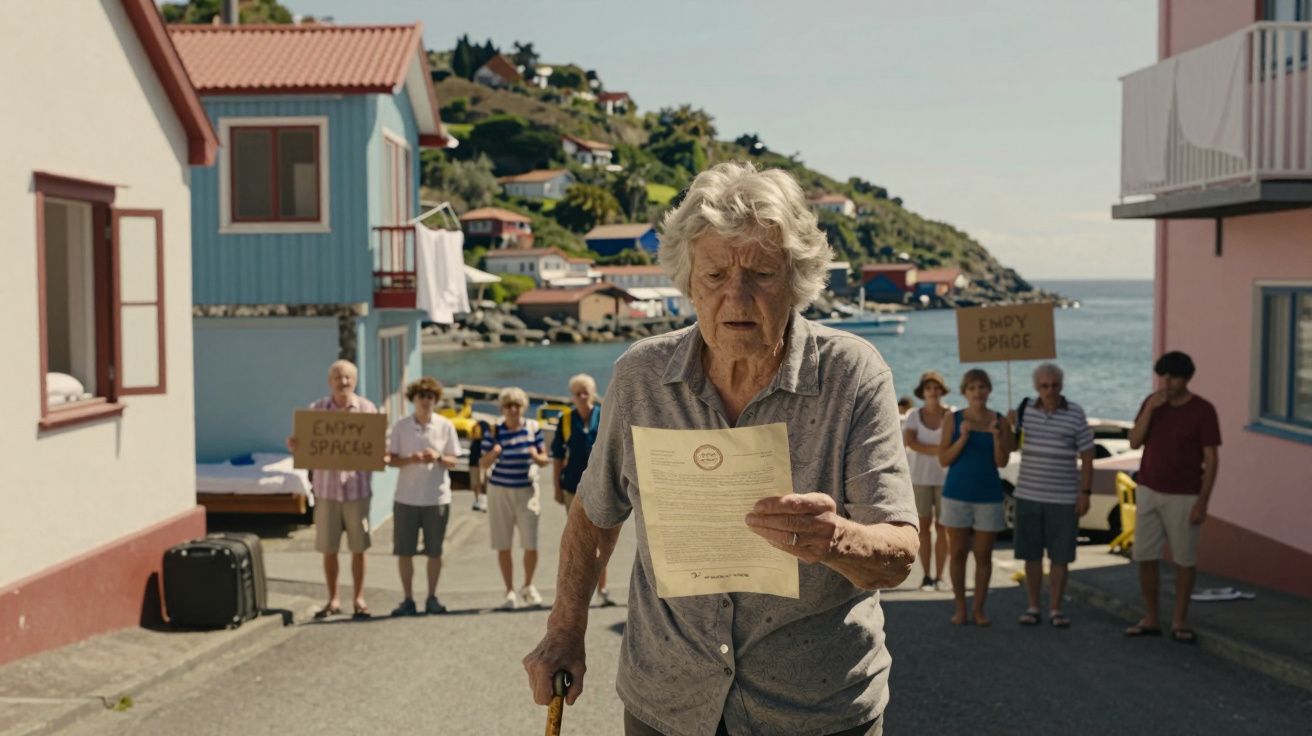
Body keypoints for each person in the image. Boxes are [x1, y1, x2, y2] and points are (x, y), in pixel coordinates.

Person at [523, 161, 918, 736]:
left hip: (815, 712)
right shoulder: (641, 377)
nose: (736, 295)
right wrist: (565, 630)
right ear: (688, 282)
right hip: (668, 704)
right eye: (714, 275)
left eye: (760, 273)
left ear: (797, 280)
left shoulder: (853, 376)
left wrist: (835, 539)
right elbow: (594, 514)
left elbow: (900, 551)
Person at [1124, 351, 1220, 644]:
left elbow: (1211, 458)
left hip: (1185, 494)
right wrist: (1151, 410)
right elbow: (1134, 441)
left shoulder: (1202, 410)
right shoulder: (1153, 404)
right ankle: (1151, 616)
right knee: (1145, 555)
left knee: (1183, 559)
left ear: (1186, 378)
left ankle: (1179, 620)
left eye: (1173, 377)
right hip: (1149, 489)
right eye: (1163, 375)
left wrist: (1203, 501)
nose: (1166, 382)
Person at [286, 360, 378, 620]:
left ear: (355, 380)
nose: (343, 382)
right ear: (330, 382)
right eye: (338, 377)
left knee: (359, 547)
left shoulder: (367, 410)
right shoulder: (316, 411)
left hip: (357, 491)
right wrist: (296, 445)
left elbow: (377, 446)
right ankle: (333, 599)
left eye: (348, 377)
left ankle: (359, 599)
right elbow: (307, 446)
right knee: (329, 548)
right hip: (326, 491)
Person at [1007, 363, 1094, 629]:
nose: (1050, 390)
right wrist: (1010, 427)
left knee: (1060, 557)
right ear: (1036, 387)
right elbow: (1011, 447)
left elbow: (1088, 455)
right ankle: (1033, 606)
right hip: (1029, 494)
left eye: (1054, 385)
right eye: (1044, 386)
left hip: (1064, 497)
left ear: (1061, 385)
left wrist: (1085, 492)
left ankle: (1056, 608)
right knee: (1031, 555)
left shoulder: (1075, 413)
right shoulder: (1025, 411)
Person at [938, 368, 1012, 627]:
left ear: (989, 390)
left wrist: (997, 436)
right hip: (956, 494)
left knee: (983, 555)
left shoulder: (1000, 421)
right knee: (957, 553)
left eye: (982, 387)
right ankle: (960, 608)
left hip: (988, 496)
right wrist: (964, 437)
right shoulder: (954, 419)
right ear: (964, 392)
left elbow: (1002, 461)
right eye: (972, 388)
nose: (977, 392)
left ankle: (979, 609)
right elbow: (944, 459)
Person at [386, 377, 461, 617]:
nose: (426, 401)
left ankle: (432, 596)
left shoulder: (445, 425)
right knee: (404, 551)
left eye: (430, 397)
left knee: (434, 551)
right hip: (406, 498)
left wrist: (438, 457)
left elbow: (453, 460)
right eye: (422, 396)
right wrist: (412, 459)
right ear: (413, 399)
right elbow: (391, 459)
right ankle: (408, 599)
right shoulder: (401, 426)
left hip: (436, 498)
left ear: (435, 400)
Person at [481, 387, 549, 610]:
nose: (512, 410)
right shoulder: (494, 430)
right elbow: (482, 463)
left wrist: (535, 456)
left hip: (527, 491)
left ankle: (528, 585)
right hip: (500, 491)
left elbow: (544, 460)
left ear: (523, 407)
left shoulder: (532, 428)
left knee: (531, 543)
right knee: (504, 543)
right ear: (502, 409)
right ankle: (509, 590)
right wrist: (495, 452)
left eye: (516, 405)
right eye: (507, 406)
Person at [550, 373, 614, 607]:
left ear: (593, 392)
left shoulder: (605, 414)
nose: (582, 396)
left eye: (586, 391)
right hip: (572, 488)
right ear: (572, 397)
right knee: (579, 541)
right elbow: (557, 455)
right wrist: (556, 486)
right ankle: (579, 592)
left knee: (601, 540)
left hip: (601, 487)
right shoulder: (566, 420)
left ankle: (603, 589)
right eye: (578, 393)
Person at [903, 371, 953, 592]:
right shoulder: (914, 415)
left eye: (936, 388)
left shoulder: (951, 414)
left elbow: (957, 442)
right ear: (922, 392)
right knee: (923, 528)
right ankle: (926, 577)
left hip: (946, 479)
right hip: (920, 479)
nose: (933, 392)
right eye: (928, 388)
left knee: (944, 528)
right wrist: (941, 451)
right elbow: (910, 443)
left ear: (942, 390)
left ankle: (941, 576)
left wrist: (937, 452)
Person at [467, 417, 492, 513]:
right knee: (475, 484)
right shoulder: (474, 440)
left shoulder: (486, 440)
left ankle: (483, 502)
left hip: (482, 463)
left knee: (482, 483)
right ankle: (478, 500)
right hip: (473, 462)